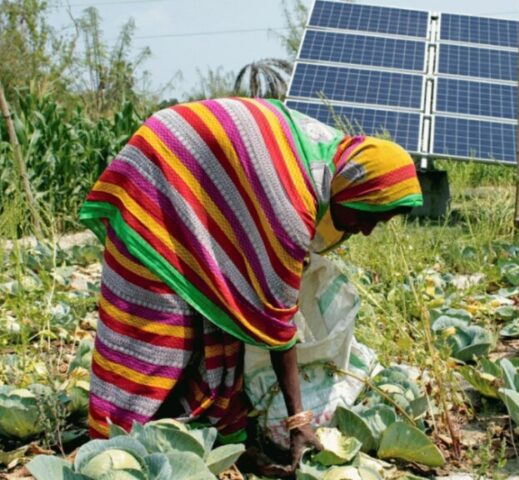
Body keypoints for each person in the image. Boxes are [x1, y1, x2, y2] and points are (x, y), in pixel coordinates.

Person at [78, 97, 423, 474]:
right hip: (157, 175)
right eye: (367, 215)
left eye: (380, 222)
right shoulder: (295, 206)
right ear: (351, 189)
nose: (367, 230)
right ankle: (114, 437)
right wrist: (299, 419)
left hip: (194, 180)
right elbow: (278, 327)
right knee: (159, 327)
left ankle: (214, 436)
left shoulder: (337, 158)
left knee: (223, 312)